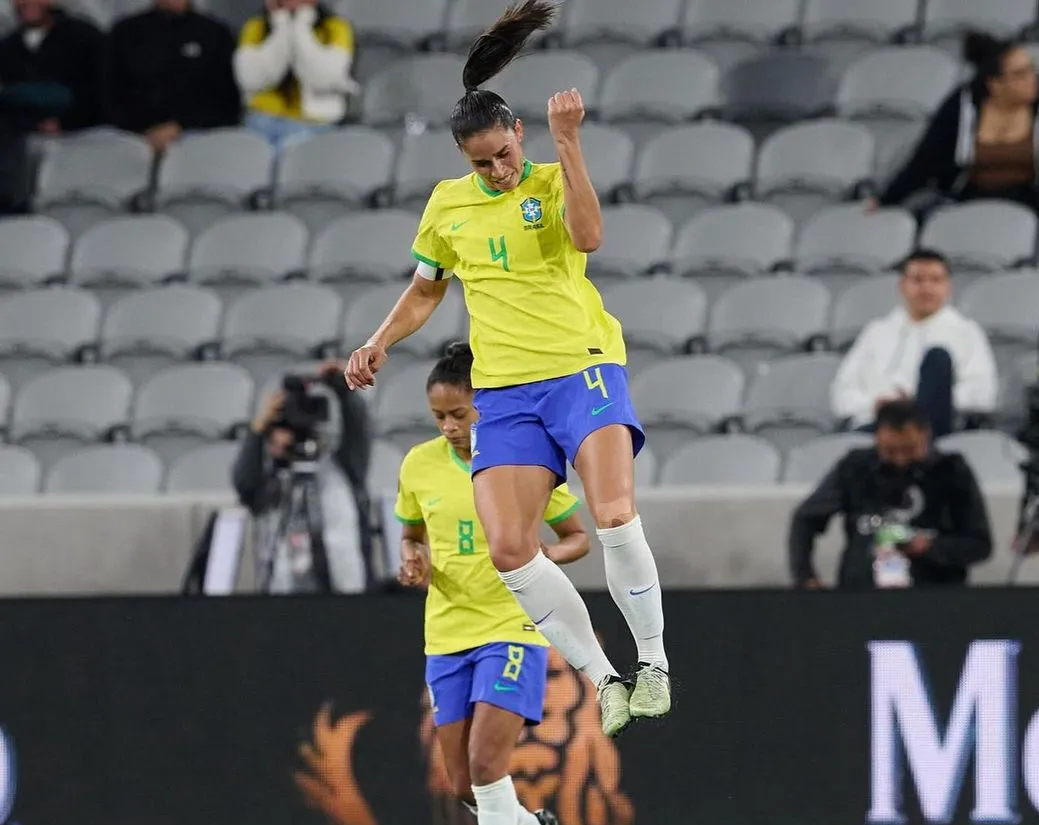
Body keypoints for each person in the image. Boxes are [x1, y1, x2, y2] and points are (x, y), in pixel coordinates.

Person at [344, 0, 670, 741]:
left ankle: (651, 661)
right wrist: (379, 340)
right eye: (480, 162)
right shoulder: (449, 207)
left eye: (502, 153)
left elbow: (590, 234)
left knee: (614, 514)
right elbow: (427, 289)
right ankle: (605, 679)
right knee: (510, 548)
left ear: (519, 132)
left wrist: (570, 145)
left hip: (581, 368)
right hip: (506, 392)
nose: (496, 170)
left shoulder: (551, 180)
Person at [395, 343, 589, 825]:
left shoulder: (521, 462)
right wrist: (412, 559)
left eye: (460, 412)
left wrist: (548, 557)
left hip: (512, 626)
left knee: (485, 762)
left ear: (486, 403)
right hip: (446, 632)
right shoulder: (418, 465)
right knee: (462, 783)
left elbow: (577, 535)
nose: (451, 426)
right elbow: (411, 533)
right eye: (440, 417)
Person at [872, 32, 1039, 220]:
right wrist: (885, 200)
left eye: (1032, 69)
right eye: (1020, 74)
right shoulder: (961, 106)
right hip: (966, 199)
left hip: (1032, 202)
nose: (1033, 79)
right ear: (995, 84)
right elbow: (925, 159)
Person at [789, 400, 993, 590]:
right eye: (890, 451)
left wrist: (931, 547)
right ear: (876, 438)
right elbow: (805, 519)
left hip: (933, 596)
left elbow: (980, 544)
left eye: (909, 450)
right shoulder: (856, 467)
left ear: (926, 435)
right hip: (860, 598)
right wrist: (805, 577)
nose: (900, 459)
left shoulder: (952, 471)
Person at [232, 361, 372, 594]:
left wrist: (343, 389)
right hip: (282, 602)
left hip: (346, 600)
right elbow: (244, 482)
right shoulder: (270, 483)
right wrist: (259, 429)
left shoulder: (342, 471)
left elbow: (359, 432)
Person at [831, 249, 998, 440]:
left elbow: (982, 394)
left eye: (935, 280)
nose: (926, 288)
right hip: (876, 426)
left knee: (938, 358)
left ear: (948, 287)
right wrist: (876, 404)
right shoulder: (877, 331)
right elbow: (842, 392)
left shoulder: (966, 331)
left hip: (931, 428)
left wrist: (916, 402)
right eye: (918, 280)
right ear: (902, 285)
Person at [106, 0, 240, 155]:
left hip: (197, 139)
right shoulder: (124, 32)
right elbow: (110, 93)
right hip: (130, 139)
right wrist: (143, 131)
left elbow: (228, 102)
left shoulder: (216, 34)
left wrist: (180, 126)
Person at [233, 0, 356, 154]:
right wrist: (282, 26)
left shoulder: (337, 27)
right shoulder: (255, 27)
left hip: (314, 124)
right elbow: (251, 78)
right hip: (261, 119)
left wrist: (301, 26)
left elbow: (322, 77)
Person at [0, 0, 104, 135]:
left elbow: (102, 90)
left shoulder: (85, 37)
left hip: (86, 137)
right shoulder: (8, 47)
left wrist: (65, 122)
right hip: (20, 140)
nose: (27, 2)